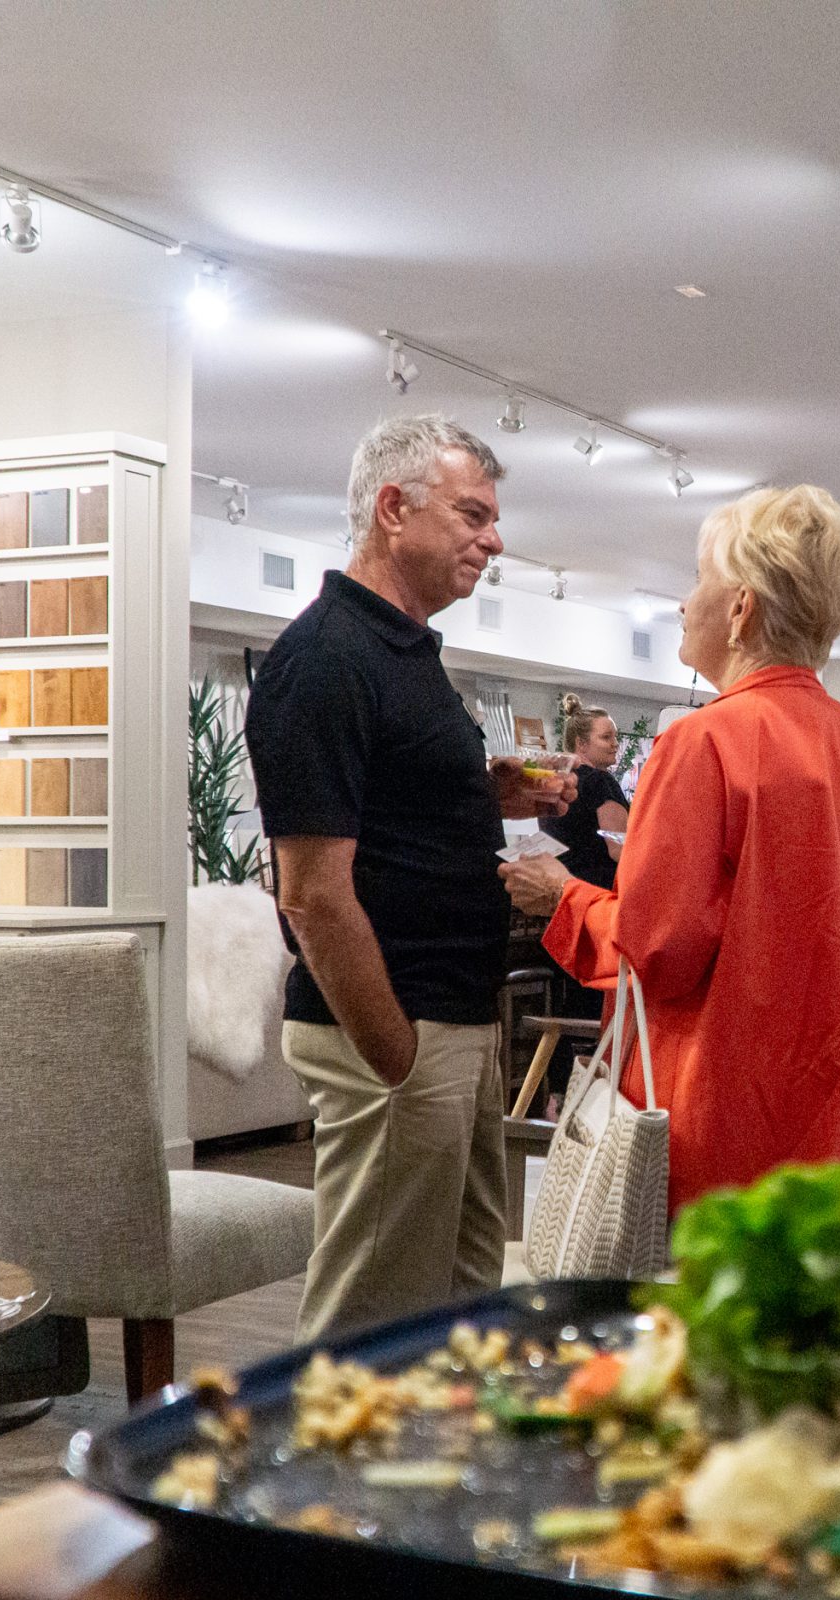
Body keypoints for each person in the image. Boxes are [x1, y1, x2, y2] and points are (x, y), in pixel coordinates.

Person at [501, 485, 840, 1208]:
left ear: (740, 609)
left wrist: (562, 898)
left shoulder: (703, 742)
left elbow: (658, 951)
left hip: (730, 1115)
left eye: (699, 578)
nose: (683, 602)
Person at [244, 414, 572, 1340]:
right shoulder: (326, 658)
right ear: (393, 508)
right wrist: (394, 1053)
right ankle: (325, 1443)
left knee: (451, 1302)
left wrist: (484, 792)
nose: (494, 540)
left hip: (448, 1019)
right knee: (371, 1320)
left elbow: (382, 808)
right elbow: (310, 890)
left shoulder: (401, 649)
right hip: (399, 1027)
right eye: (473, 514)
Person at [540, 693, 629, 890]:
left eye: (615, 736)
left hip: (559, 886)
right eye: (606, 737)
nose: (615, 743)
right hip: (595, 890)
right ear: (581, 743)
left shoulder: (553, 781)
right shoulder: (599, 781)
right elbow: (619, 850)